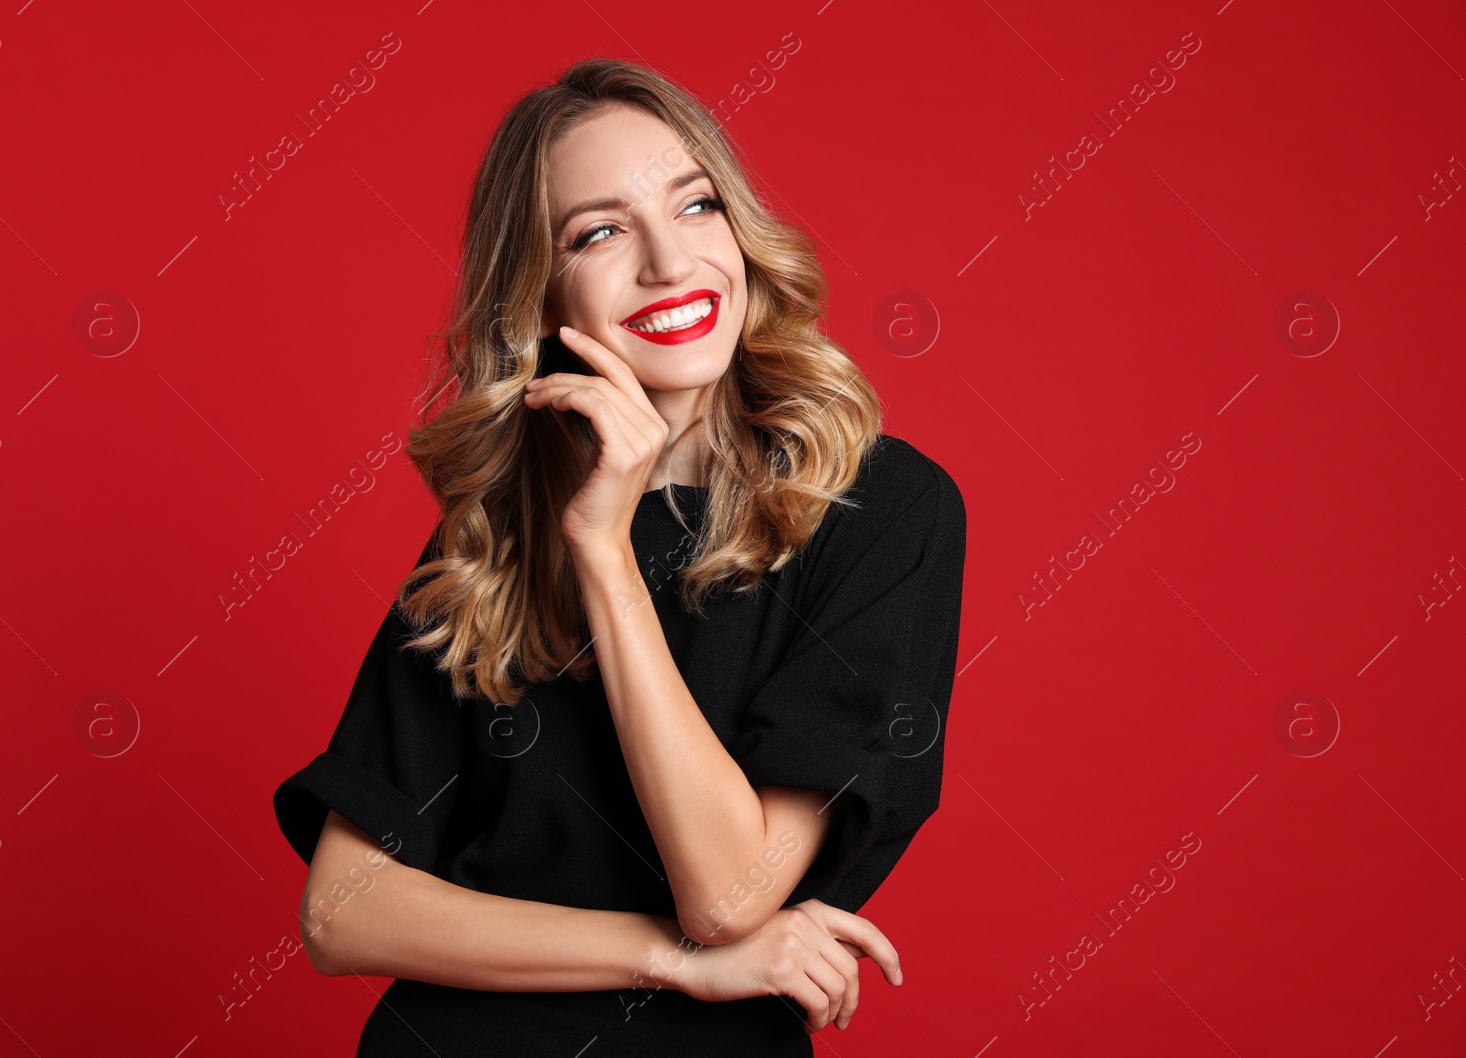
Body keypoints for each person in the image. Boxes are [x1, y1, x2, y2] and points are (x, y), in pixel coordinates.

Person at [271, 57, 967, 1057]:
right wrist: (673, 957)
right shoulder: (495, 534)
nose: (669, 263)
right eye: (597, 231)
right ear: (540, 291)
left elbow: (727, 893)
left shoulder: (878, 507)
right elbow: (340, 912)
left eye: (695, 206)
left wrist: (603, 553)